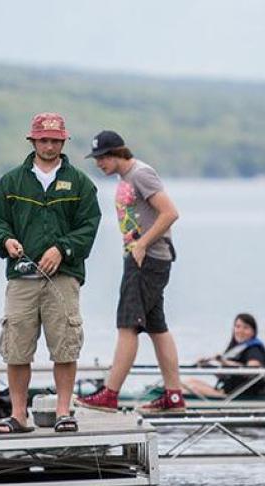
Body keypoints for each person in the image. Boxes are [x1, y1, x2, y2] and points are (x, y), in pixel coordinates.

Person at [0, 113, 101, 434]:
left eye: (54, 140)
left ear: (63, 142)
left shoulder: (80, 184)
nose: (48, 145)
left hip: (64, 278)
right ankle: (19, 416)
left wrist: (62, 249)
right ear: (33, 141)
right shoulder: (11, 182)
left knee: (65, 344)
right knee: (17, 346)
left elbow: (89, 227)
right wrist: (4, 240)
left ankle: (64, 412)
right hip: (21, 278)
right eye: (43, 140)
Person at [76, 130, 186, 412]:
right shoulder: (128, 177)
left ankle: (110, 394)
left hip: (146, 260)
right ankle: (174, 396)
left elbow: (170, 213)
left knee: (128, 325)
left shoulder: (140, 174)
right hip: (145, 259)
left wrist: (142, 245)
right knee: (157, 327)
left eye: (102, 158)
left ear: (116, 153)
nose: (99, 164)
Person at [183, 313, 265, 399]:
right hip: (226, 391)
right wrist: (207, 366)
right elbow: (224, 376)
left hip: (240, 396)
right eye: (238, 327)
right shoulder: (234, 349)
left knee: (192, 388)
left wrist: (225, 362)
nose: (240, 331)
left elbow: (253, 370)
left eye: (245, 328)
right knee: (187, 382)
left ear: (253, 331)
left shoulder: (254, 350)